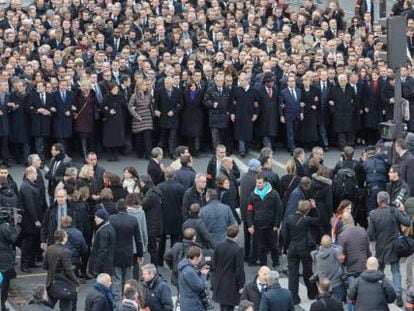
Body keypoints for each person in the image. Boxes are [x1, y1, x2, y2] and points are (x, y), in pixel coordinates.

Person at [367, 191, 411, 307]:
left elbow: (370, 234)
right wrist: (403, 211)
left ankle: (379, 291)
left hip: (380, 247)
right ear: (388, 200)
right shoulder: (394, 211)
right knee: (395, 271)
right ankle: (398, 294)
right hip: (394, 247)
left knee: (379, 270)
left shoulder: (373, 214)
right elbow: (407, 223)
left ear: (378, 200)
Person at [284, 200, 319, 305]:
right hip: (304, 248)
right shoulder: (307, 220)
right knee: (307, 271)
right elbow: (318, 220)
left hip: (292, 247)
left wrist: (285, 247)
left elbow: (285, 235)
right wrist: (315, 208)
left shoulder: (289, 218)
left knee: (293, 273)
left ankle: (293, 297)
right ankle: (312, 293)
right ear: (308, 210)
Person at [109, 199, 144, 303]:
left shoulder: (111, 219)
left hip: (115, 252)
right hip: (128, 252)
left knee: (116, 278)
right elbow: (138, 239)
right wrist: (140, 254)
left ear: (117, 208)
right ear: (126, 208)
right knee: (127, 280)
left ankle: (117, 303)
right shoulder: (132, 220)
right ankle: (127, 301)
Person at [247, 173, 282, 267]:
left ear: (265, 183)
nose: (257, 184)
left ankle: (276, 262)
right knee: (261, 247)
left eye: (260, 182)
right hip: (258, 226)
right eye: (257, 182)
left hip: (271, 226)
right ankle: (263, 265)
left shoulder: (274, 194)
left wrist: (277, 225)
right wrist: (250, 224)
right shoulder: (253, 195)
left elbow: (279, 210)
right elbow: (250, 210)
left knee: (274, 246)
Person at [337, 212, 370, 311]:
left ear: (343, 222)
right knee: (365, 293)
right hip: (364, 266)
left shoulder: (343, 236)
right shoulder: (363, 230)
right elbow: (368, 250)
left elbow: (341, 256)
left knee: (351, 296)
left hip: (351, 269)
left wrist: (341, 264)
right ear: (352, 219)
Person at [44, 229, 80, 311]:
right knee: (66, 306)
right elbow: (68, 270)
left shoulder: (49, 248)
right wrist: (76, 281)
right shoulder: (66, 252)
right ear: (64, 238)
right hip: (64, 283)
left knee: (48, 305)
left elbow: (45, 265)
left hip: (51, 281)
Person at [212, 224, 245, 311]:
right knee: (230, 307)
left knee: (222, 307)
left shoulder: (219, 246)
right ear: (237, 234)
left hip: (220, 281)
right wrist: (241, 285)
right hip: (231, 284)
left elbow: (214, 264)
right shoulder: (238, 249)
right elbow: (239, 269)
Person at [157, 167, 185, 263]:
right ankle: (174, 259)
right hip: (176, 217)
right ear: (174, 176)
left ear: (165, 175)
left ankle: (159, 259)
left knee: (162, 239)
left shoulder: (159, 187)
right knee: (175, 239)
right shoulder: (180, 187)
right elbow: (182, 203)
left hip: (163, 216)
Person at [18, 166, 43, 273]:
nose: (37, 175)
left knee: (32, 242)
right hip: (29, 222)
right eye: (36, 173)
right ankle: (24, 264)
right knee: (28, 243)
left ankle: (31, 262)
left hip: (31, 221)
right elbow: (30, 205)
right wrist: (36, 220)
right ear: (30, 174)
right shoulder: (26, 187)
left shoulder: (28, 185)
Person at [229, 71, 258, 157]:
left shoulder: (253, 91)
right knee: (240, 134)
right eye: (239, 80)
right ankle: (242, 150)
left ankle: (246, 148)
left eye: (242, 80)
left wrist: (256, 114)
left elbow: (256, 104)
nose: (240, 82)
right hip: (239, 115)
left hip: (249, 116)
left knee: (248, 133)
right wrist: (232, 113)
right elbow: (232, 103)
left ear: (247, 80)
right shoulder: (236, 90)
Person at [240, 159, 261, 262]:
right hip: (252, 211)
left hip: (244, 210)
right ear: (256, 168)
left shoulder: (244, 176)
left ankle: (246, 255)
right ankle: (253, 258)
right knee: (254, 235)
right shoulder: (256, 179)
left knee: (246, 235)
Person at [328, 74, 357, 150]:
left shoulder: (350, 89)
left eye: (344, 80)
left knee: (349, 129)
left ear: (347, 81)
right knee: (340, 131)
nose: (343, 82)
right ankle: (343, 146)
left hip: (348, 113)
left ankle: (350, 144)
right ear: (338, 81)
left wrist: (352, 110)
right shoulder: (334, 89)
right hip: (338, 113)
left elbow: (355, 100)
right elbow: (330, 101)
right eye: (341, 81)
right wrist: (334, 111)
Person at [311, 235, 344, 301]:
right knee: (336, 303)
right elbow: (340, 248)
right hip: (335, 282)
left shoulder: (316, 254)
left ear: (321, 243)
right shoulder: (333, 251)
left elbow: (312, 253)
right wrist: (332, 245)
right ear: (330, 243)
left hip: (324, 283)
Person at [0, 205, 20, 311]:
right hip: (3, 259)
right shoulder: (4, 227)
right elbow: (12, 238)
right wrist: (17, 227)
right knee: (4, 283)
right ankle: (2, 304)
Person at [177, 246, 210, 311]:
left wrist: (200, 272)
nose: (200, 260)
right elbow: (200, 286)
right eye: (200, 258)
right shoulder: (189, 271)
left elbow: (192, 279)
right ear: (195, 257)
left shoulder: (184, 266)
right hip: (192, 305)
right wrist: (203, 275)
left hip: (187, 303)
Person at [140, 174, 163, 266]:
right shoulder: (154, 191)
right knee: (153, 248)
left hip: (151, 224)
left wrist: (138, 195)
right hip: (155, 222)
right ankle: (154, 266)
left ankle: (154, 267)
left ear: (143, 183)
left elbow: (143, 205)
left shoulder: (150, 194)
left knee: (152, 248)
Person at [128, 78, 153, 159]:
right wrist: (137, 116)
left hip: (147, 118)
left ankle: (148, 155)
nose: (147, 86)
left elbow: (150, 105)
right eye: (145, 85)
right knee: (139, 139)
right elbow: (130, 107)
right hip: (139, 119)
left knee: (148, 138)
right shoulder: (134, 96)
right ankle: (140, 153)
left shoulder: (149, 94)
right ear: (140, 86)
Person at [102, 82, 126, 161]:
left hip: (118, 119)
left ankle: (115, 154)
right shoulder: (106, 97)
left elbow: (124, 104)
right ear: (110, 90)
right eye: (114, 89)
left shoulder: (120, 96)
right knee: (109, 138)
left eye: (117, 89)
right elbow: (102, 107)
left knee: (118, 137)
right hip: (109, 120)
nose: (116, 90)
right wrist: (109, 111)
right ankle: (110, 154)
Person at [89, 209, 116, 276]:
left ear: (102, 218)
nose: (95, 219)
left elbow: (102, 250)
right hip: (108, 263)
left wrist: (96, 268)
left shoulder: (103, 231)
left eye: (97, 217)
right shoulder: (109, 227)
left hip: (103, 266)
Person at [255, 72, 279, 149]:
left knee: (271, 133)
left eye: (273, 81)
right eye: (271, 81)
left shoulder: (275, 90)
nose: (272, 83)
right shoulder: (259, 90)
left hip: (273, 116)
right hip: (263, 117)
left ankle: (269, 147)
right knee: (265, 134)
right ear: (266, 82)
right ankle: (268, 148)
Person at [280, 75, 302, 153]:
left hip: (297, 115)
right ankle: (293, 149)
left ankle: (290, 146)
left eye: (293, 81)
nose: (292, 83)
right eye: (290, 81)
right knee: (290, 133)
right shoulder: (283, 92)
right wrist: (281, 115)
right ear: (287, 82)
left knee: (295, 132)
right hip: (288, 115)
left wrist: (301, 112)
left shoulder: (299, 90)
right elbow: (281, 105)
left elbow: (300, 103)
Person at [181, 80, 204, 156]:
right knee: (189, 134)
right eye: (191, 86)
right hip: (188, 116)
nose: (193, 87)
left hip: (197, 116)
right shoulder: (185, 94)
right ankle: (191, 149)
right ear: (189, 87)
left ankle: (197, 150)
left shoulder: (200, 93)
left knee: (197, 134)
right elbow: (183, 104)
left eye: (194, 86)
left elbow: (202, 104)